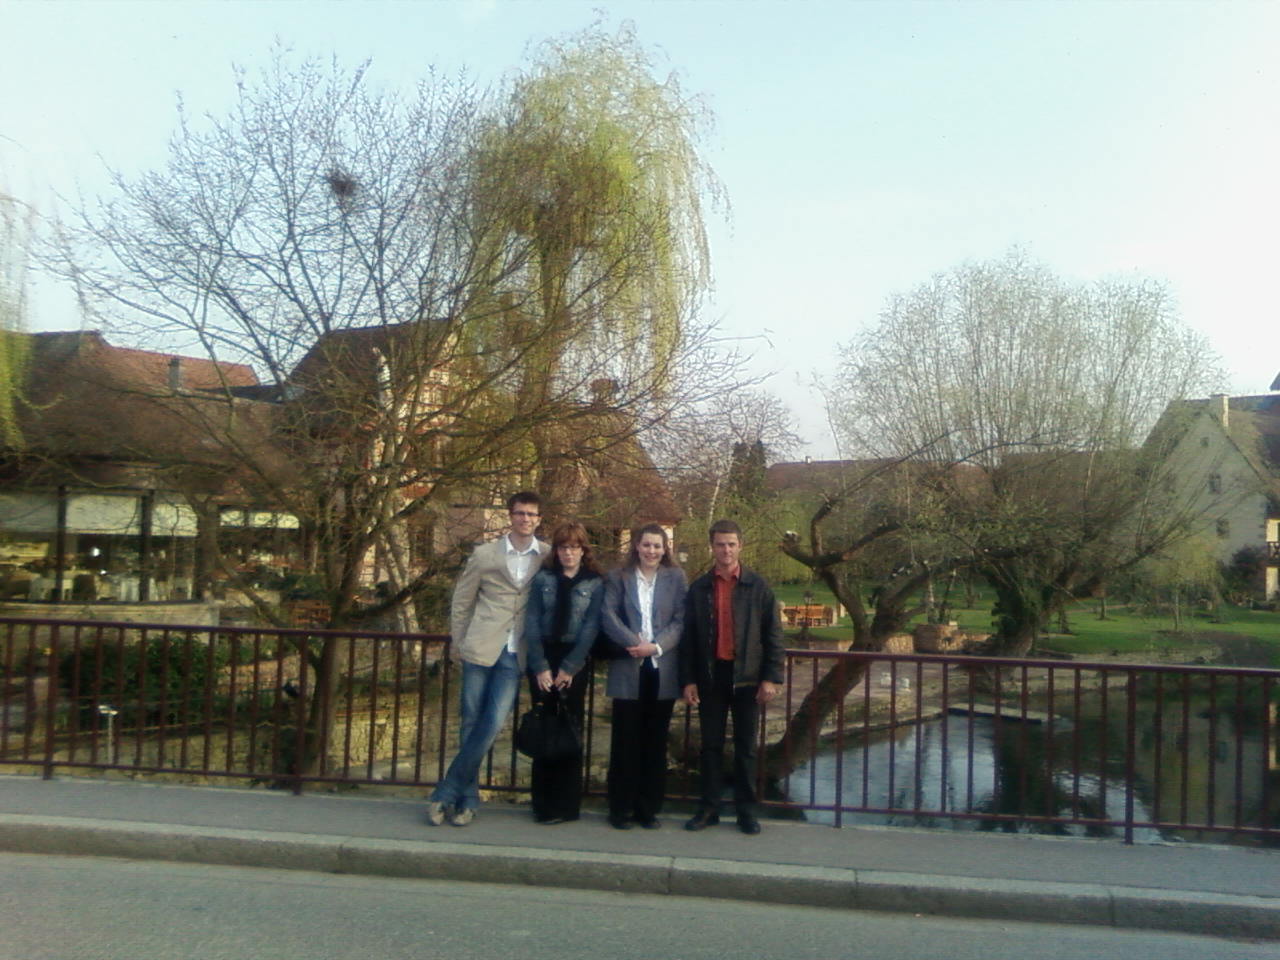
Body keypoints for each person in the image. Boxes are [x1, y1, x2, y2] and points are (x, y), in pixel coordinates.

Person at [427, 492, 548, 827]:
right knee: (469, 722)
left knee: (493, 723)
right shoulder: (484, 554)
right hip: (480, 647)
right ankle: (468, 800)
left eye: (531, 514)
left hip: (515, 652)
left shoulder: (547, 556)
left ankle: (446, 790)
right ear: (510, 516)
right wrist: (458, 643)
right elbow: (462, 602)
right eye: (520, 513)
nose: (525, 519)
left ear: (539, 519)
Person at [678, 519, 784, 835]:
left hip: (748, 678)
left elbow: (774, 636)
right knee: (709, 747)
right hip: (711, 676)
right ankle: (708, 808)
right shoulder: (699, 588)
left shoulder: (758, 587)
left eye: (731, 544)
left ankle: (746, 811)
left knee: (746, 748)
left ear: (740, 546)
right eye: (720, 544)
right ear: (712, 547)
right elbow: (688, 639)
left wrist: (771, 677)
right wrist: (688, 679)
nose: (726, 550)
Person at [599, 524, 687, 830]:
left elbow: (681, 619)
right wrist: (635, 645)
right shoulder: (617, 577)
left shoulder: (676, 578)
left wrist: (657, 646)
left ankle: (647, 809)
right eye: (647, 545)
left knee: (654, 742)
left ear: (665, 549)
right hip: (628, 667)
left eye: (657, 546)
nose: (652, 551)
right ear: (637, 546)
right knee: (625, 743)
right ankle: (620, 808)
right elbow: (606, 615)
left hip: (662, 670)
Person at [522, 522, 604, 824]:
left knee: (570, 731)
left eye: (574, 547)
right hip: (544, 657)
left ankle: (566, 805)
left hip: (574, 660)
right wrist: (540, 666)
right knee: (545, 729)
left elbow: (591, 627)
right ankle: (542, 803)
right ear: (556, 551)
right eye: (563, 547)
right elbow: (531, 622)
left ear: (583, 550)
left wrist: (570, 667)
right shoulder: (543, 578)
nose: (569, 553)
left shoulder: (595, 582)